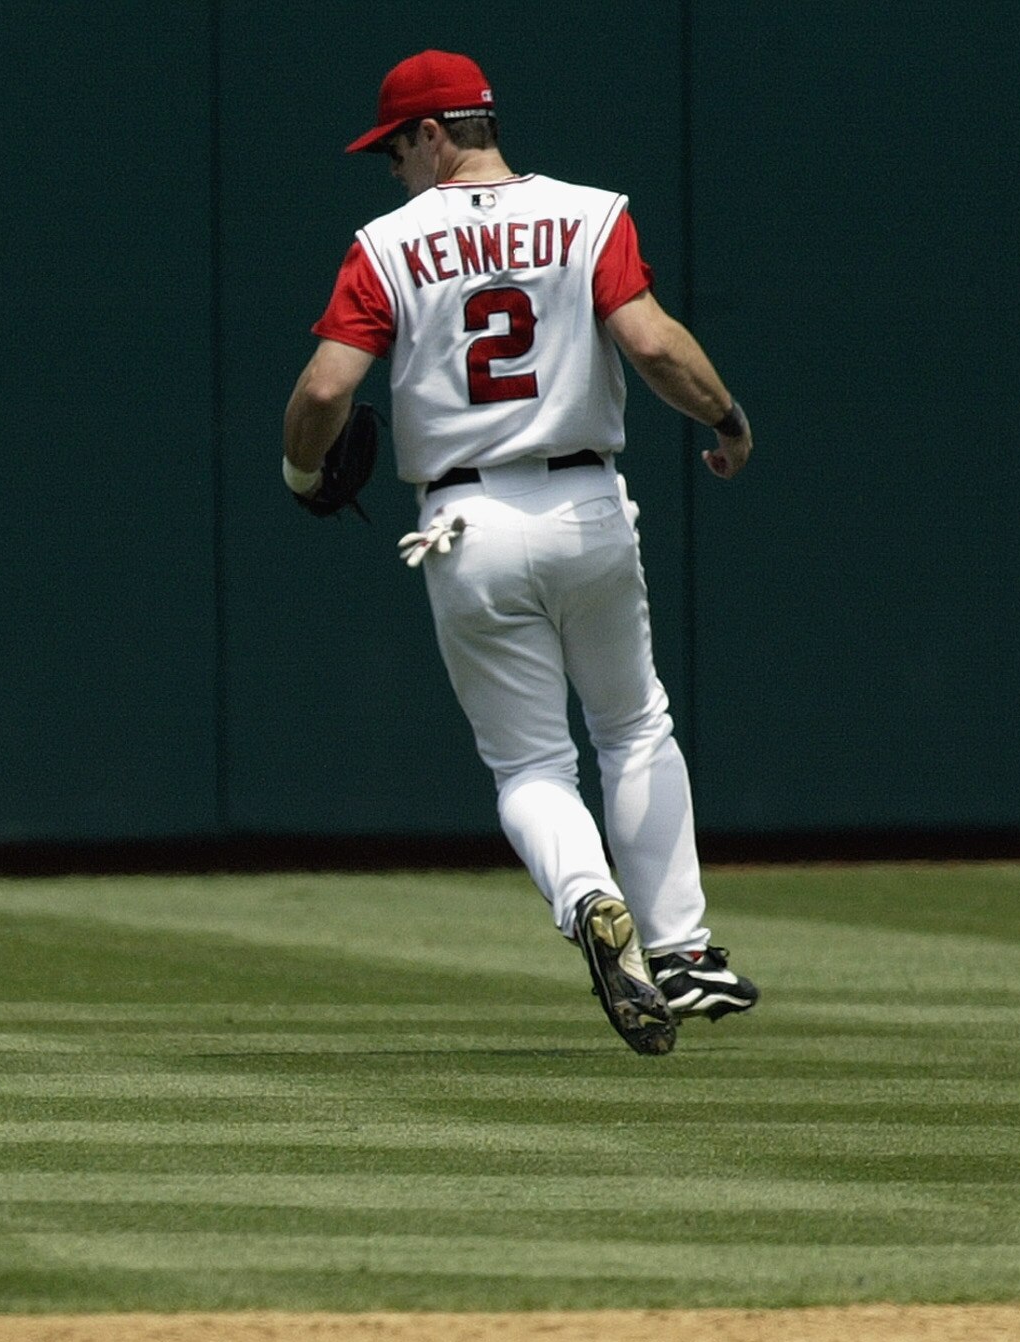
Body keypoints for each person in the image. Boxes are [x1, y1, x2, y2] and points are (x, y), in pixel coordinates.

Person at [281, 49, 760, 1056]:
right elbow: (652, 342)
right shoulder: (589, 215)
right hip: (584, 501)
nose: (390, 170)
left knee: (531, 763)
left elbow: (325, 392)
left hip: (465, 526)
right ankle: (682, 952)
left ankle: (588, 897)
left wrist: (299, 471)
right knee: (632, 726)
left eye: (393, 148)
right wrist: (723, 418)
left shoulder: (386, 243)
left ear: (431, 133)